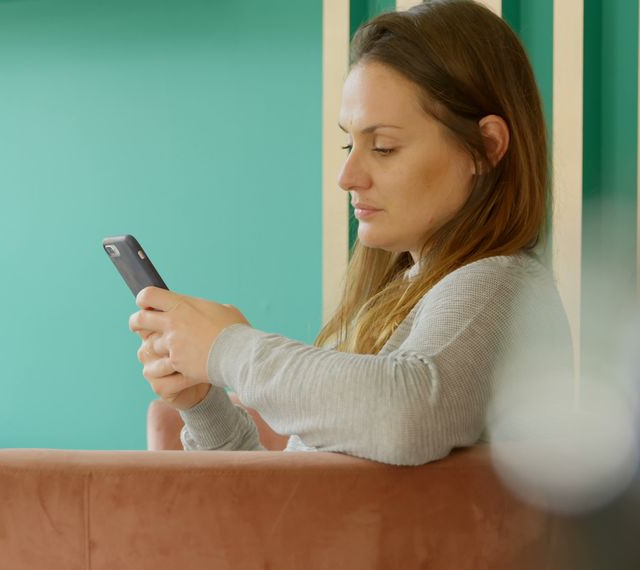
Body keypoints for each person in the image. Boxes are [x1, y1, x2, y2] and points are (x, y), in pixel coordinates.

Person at [128, 0, 573, 466]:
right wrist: (203, 403)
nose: (347, 175)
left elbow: (409, 416)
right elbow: (283, 505)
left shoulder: (500, 287)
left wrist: (227, 349)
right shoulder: (401, 298)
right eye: (349, 142)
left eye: (383, 147)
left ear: (485, 148)